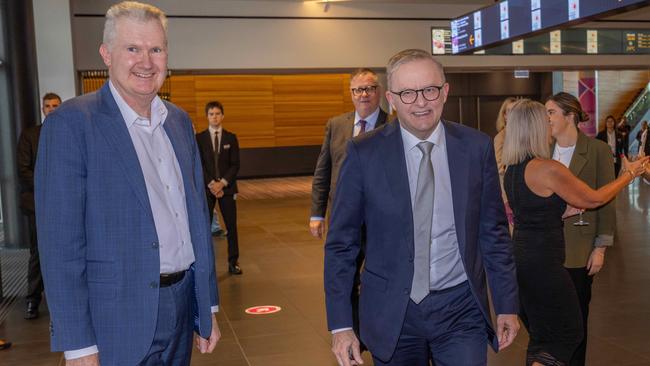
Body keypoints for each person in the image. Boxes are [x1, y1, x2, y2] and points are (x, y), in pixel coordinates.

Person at [35, 2, 220, 365]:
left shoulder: (179, 123)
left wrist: (207, 303)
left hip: (182, 305)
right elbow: (61, 244)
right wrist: (78, 343)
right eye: (132, 48)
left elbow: (196, 219)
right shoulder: (72, 124)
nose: (146, 62)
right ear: (106, 54)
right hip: (115, 319)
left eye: (156, 49)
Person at [324, 49, 519, 366]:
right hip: (392, 312)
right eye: (407, 93)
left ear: (445, 91)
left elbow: (493, 232)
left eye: (429, 90)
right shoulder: (364, 153)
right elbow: (341, 244)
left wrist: (507, 303)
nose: (420, 102)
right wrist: (342, 324)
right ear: (391, 98)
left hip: (461, 307)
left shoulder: (475, 147)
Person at [502, 99, 648, 366]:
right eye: (544, 120)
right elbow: (592, 199)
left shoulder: (513, 170)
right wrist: (629, 175)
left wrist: (564, 211)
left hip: (523, 260)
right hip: (545, 264)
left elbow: (536, 212)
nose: (548, 125)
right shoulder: (547, 168)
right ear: (535, 127)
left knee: (543, 336)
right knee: (568, 333)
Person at [310, 68, 388, 342]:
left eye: (369, 88)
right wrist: (317, 213)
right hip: (343, 217)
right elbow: (323, 170)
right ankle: (349, 330)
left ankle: (374, 329)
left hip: (380, 219)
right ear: (351, 93)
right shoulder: (336, 125)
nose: (363, 94)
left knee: (377, 277)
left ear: (378, 92)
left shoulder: (392, 126)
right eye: (358, 89)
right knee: (344, 275)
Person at [547, 93, 617, 366]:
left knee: (576, 320)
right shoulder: (543, 151)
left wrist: (600, 248)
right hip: (546, 249)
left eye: (551, 112)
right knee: (548, 318)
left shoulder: (597, 150)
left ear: (570, 116)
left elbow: (606, 200)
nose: (547, 118)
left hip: (579, 248)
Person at [16, 92, 61, 320]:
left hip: (65, 205)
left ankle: (60, 300)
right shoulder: (30, 135)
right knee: (39, 252)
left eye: (55, 106)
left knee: (64, 251)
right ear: (42, 109)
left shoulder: (70, 134)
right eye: (48, 106)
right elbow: (23, 171)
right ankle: (33, 299)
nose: (51, 109)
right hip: (38, 204)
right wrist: (51, 187)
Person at [196, 101, 242, 275]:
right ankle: (204, 263)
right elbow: (198, 165)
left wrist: (222, 183)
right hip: (207, 190)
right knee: (203, 227)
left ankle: (233, 262)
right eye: (211, 114)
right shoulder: (199, 139)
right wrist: (211, 184)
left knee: (231, 226)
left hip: (227, 189)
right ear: (207, 116)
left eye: (217, 113)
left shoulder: (231, 138)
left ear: (222, 116)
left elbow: (235, 165)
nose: (214, 117)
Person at [494, 96, 518, 229]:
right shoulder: (501, 137)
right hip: (506, 190)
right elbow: (499, 167)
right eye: (510, 111)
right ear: (504, 115)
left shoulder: (521, 135)